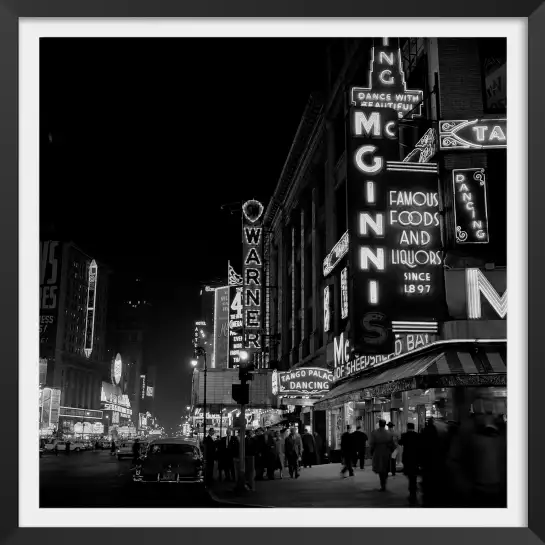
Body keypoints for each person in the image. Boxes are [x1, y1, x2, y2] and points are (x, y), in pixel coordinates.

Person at [370, 419, 395, 491]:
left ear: (379, 424)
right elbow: (392, 444)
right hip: (386, 452)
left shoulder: (375, 432)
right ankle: (384, 481)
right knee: (386, 467)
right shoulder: (389, 433)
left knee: (380, 467)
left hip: (378, 451)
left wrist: (372, 451)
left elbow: (372, 443)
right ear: (385, 424)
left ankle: (382, 483)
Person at [398, 423, 421, 505]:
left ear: (407, 427)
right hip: (415, 457)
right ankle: (413, 490)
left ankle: (412, 491)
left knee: (410, 475)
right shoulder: (417, 435)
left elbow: (400, 443)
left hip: (407, 457)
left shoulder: (404, 435)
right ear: (413, 428)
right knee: (413, 474)